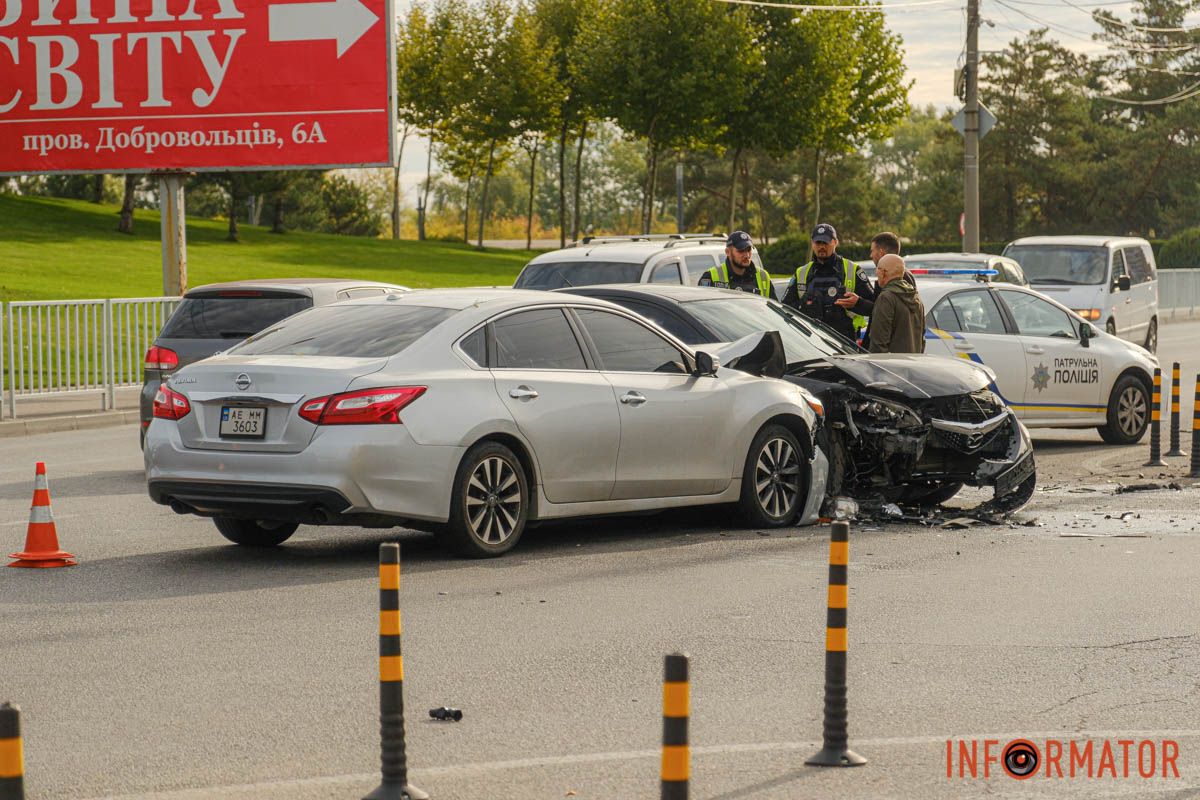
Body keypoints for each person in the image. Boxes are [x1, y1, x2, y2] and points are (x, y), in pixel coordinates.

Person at [782, 223, 874, 344]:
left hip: (844, 343)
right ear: (812, 243)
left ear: (835, 242)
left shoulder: (853, 270)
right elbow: (785, 308)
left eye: (825, 242)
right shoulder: (801, 273)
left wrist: (858, 302)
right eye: (818, 243)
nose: (821, 247)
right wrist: (804, 305)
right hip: (810, 342)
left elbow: (875, 307)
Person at [866, 254, 925, 354]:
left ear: (883, 273)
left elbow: (878, 343)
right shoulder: (915, 296)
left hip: (891, 366)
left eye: (878, 269)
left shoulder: (886, 298)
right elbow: (922, 339)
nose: (876, 273)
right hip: (912, 364)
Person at [697, 230, 777, 299]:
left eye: (749, 250)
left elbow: (774, 310)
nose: (747, 255)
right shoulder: (710, 277)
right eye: (741, 250)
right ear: (727, 252)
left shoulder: (763, 276)